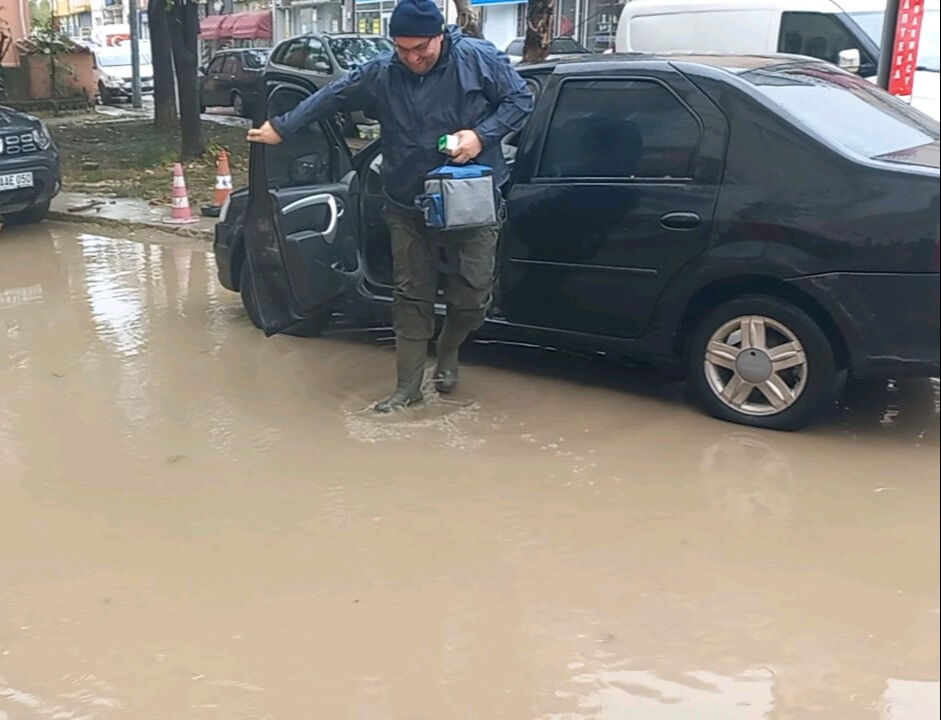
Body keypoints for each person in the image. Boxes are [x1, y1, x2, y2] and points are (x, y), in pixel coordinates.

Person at [248, 0, 533, 412]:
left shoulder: (477, 58)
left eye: (421, 49)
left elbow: (520, 100)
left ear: (440, 36)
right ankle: (408, 387)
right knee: (410, 296)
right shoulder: (383, 71)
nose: (412, 58)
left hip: (469, 199)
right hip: (406, 201)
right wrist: (283, 126)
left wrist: (481, 136)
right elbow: (334, 94)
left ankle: (449, 349)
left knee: (472, 296)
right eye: (403, 50)